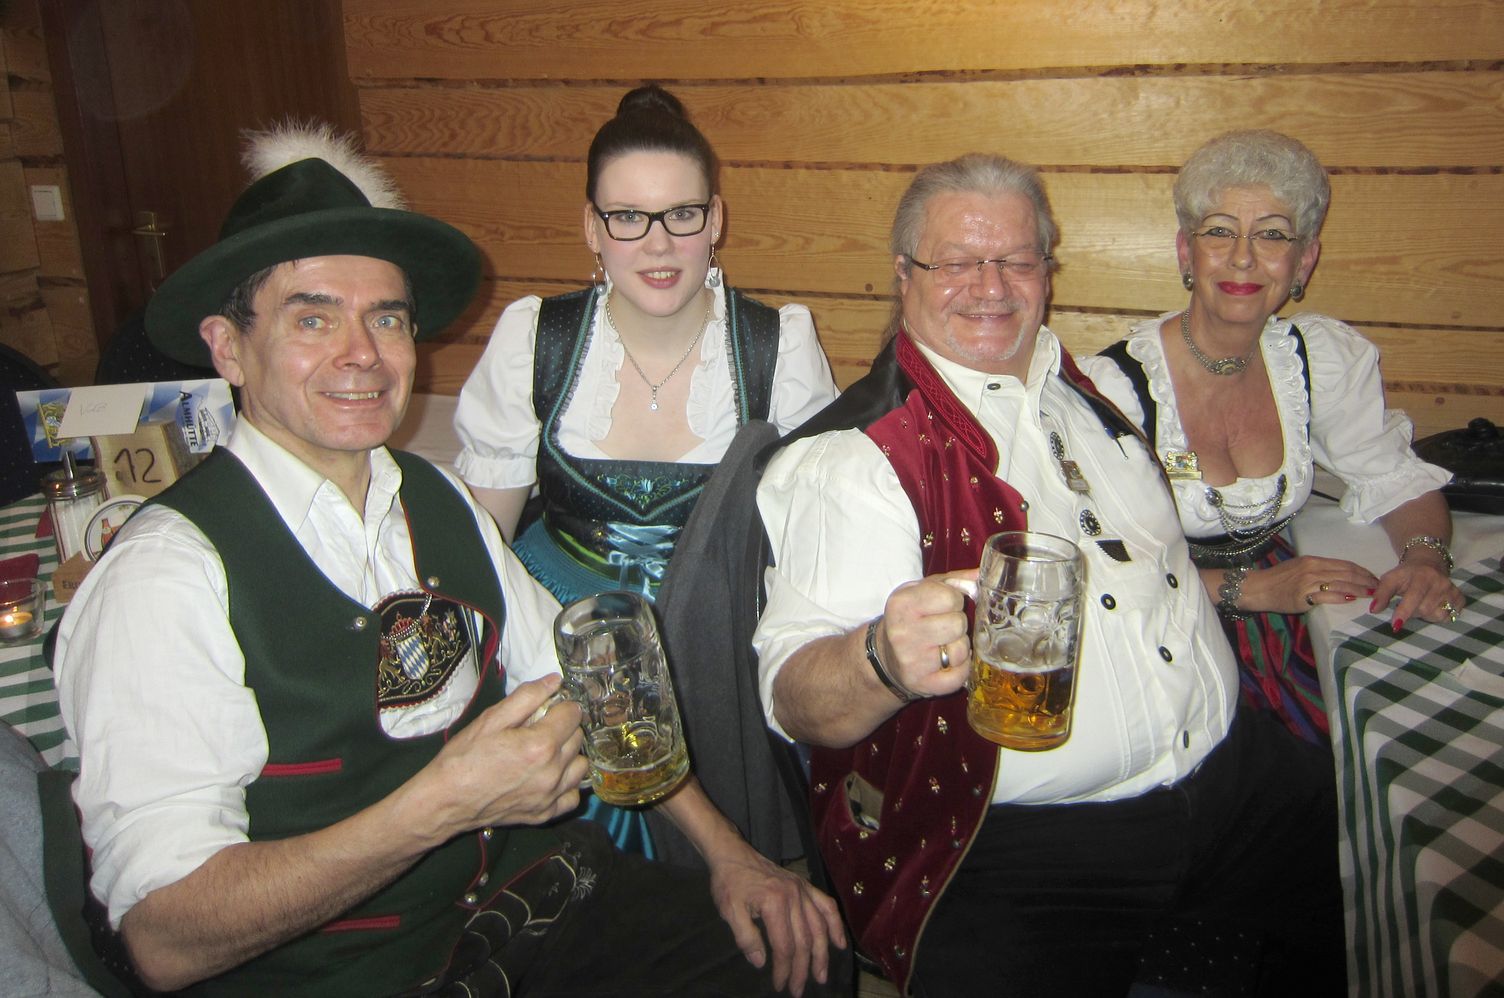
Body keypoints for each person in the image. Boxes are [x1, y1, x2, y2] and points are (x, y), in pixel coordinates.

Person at [53, 126, 843, 997]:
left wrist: (733, 857)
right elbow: (164, 936)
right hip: (357, 977)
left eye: (385, 318)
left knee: (804, 966)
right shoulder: (164, 578)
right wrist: (442, 806)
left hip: (541, 903)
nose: (360, 353)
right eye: (313, 318)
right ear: (228, 347)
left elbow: (585, 689)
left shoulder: (438, 500)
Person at [753, 152, 1346, 996]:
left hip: (1232, 779)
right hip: (1020, 844)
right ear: (904, 275)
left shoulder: (1091, 394)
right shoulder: (856, 462)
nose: (990, 286)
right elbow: (794, 700)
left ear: (1047, 272)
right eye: (957, 262)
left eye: (1016, 260)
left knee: (1389, 885)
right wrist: (880, 657)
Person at [454, 84, 837, 855]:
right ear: (591, 228)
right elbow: (481, 549)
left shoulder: (778, 348)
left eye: (681, 215)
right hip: (559, 662)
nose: (658, 245)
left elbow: (815, 552)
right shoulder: (536, 341)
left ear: (715, 220)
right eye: (628, 217)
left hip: (717, 664)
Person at [1079, 130, 1458, 744]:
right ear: (1185, 252)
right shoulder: (1115, 388)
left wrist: (1423, 559)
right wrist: (1253, 589)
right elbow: (1094, 563)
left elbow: (1392, 476)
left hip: (1285, 624)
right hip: (1159, 629)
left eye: (1273, 235)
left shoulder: (1314, 360)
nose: (1243, 258)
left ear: (1304, 261)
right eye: (1219, 231)